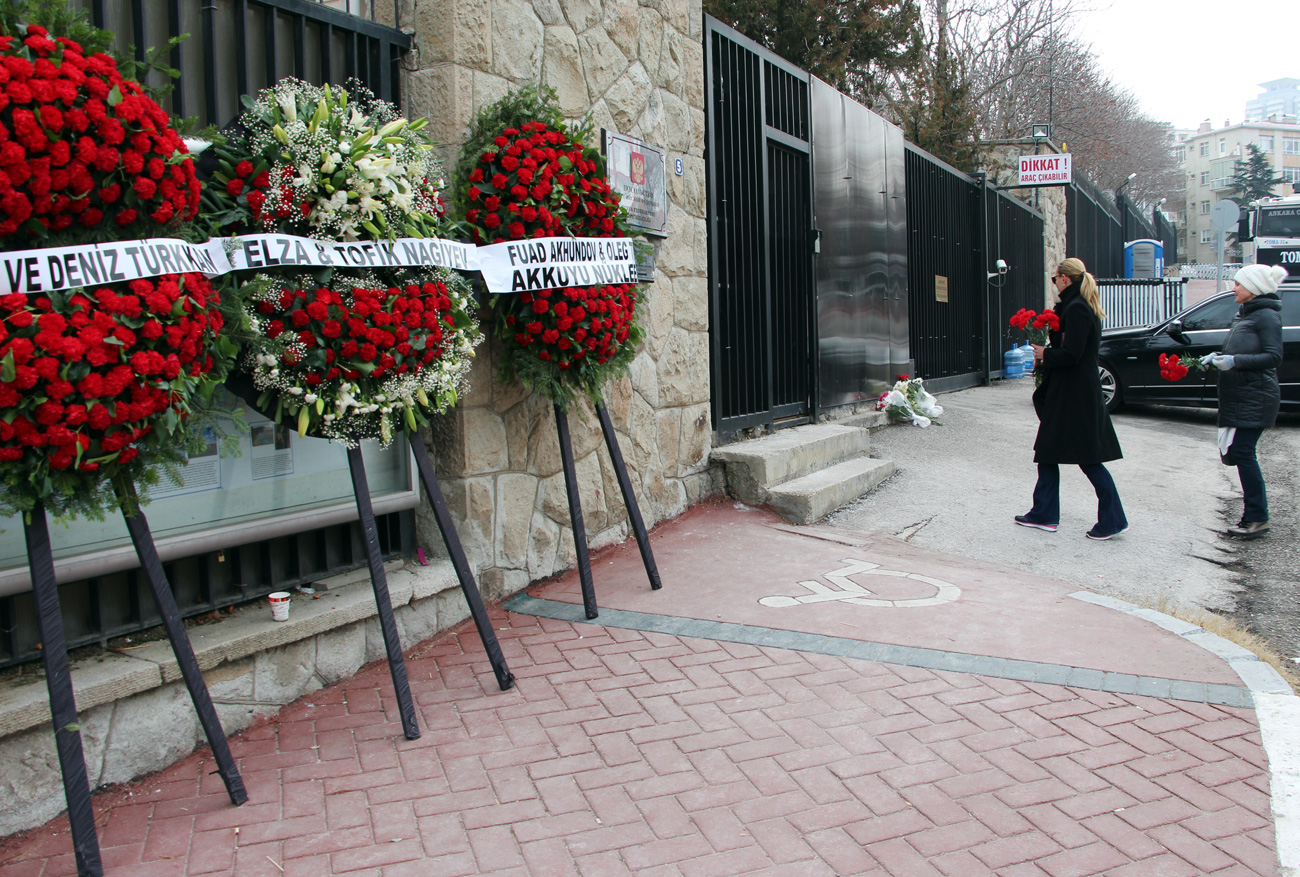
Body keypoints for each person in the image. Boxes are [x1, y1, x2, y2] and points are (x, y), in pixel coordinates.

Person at [1015, 258, 1128, 540]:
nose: (1054, 284)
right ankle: (1044, 513)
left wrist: (1045, 354)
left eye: (1055, 279)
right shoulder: (1074, 306)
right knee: (1049, 452)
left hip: (1075, 395)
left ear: (1065, 279)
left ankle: (1112, 519)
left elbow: (1073, 354)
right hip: (1071, 392)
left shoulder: (1077, 309)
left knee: (1087, 458)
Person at [1204, 263, 1286, 539]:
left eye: (1238, 283)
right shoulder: (1247, 314)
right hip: (1243, 395)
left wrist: (1234, 361)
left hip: (1257, 396)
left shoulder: (1266, 317)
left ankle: (1257, 518)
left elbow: (1274, 356)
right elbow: (1241, 349)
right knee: (1239, 453)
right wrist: (1218, 357)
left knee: (1242, 453)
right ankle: (1254, 516)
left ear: (1253, 288)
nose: (1234, 287)